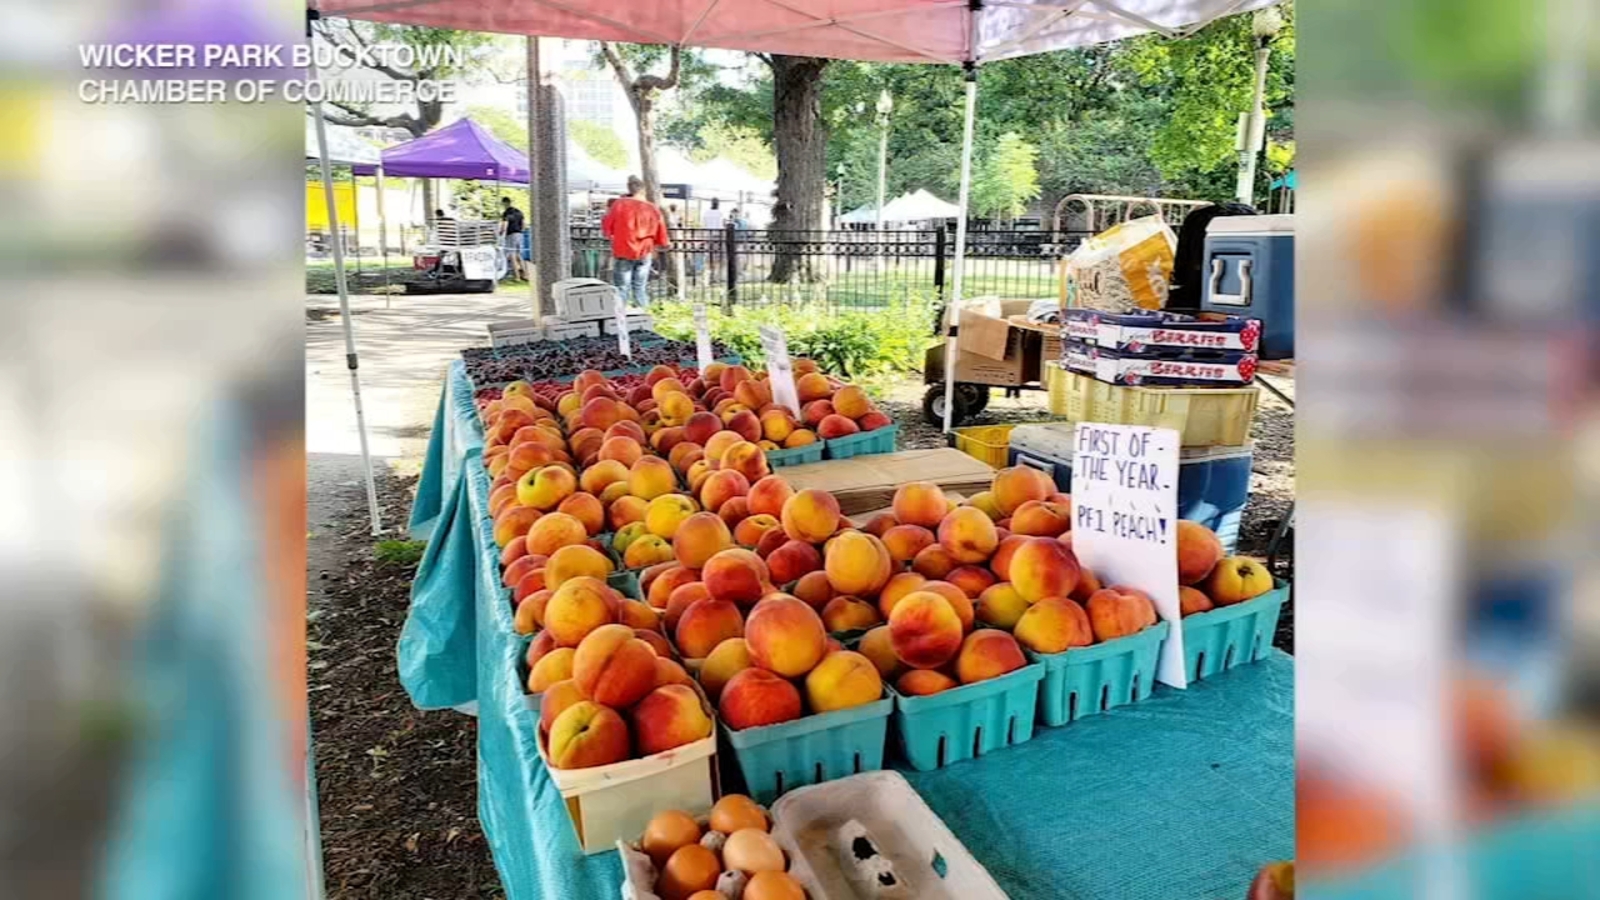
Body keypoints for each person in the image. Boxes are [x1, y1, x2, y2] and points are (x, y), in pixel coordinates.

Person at [600, 176, 670, 309]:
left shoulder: (619, 204)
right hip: (645, 250)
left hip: (624, 248)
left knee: (622, 287)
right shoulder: (652, 208)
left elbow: (608, 226)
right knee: (640, 287)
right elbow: (661, 230)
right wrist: (663, 243)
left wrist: (610, 233)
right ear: (643, 190)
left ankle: (620, 320)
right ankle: (644, 316)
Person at [498, 197, 527, 281]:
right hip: (520, 234)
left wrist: (501, 232)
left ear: (504, 203)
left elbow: (505, 225)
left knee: (512, 255)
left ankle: (517, 276)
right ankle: (525, 274)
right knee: (519, 255)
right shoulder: (519, 212)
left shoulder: (506, 213)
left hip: (511, 234)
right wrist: (520, 230)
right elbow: (524, 225)